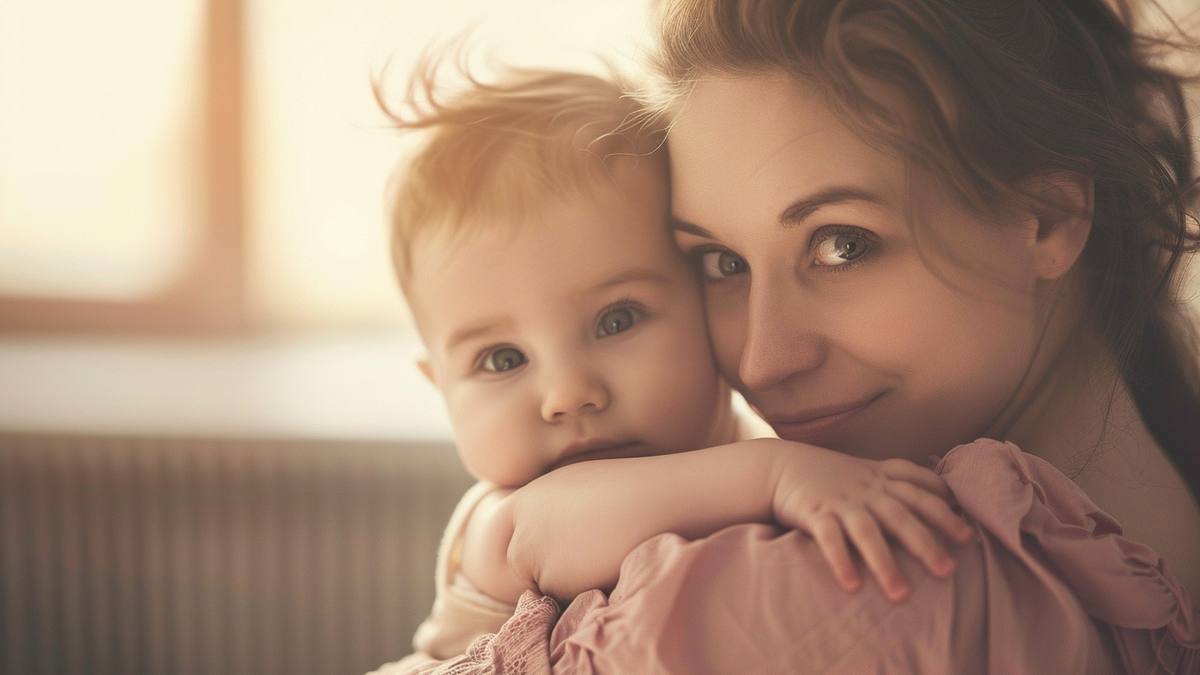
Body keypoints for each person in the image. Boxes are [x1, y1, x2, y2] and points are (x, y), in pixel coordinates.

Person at [386, 0, 1200, 673]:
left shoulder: (859, 592)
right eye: (721, 262)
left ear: (1047, 218)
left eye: (842, 244)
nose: (760, 361)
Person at [368, 64, 976, 674]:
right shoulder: (501, 522)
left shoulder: (772, 455)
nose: (568, 393)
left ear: (705, 296)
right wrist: (776, 476)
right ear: (440, 387)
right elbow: (556, 527)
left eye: (616, 320)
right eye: (502, 360)